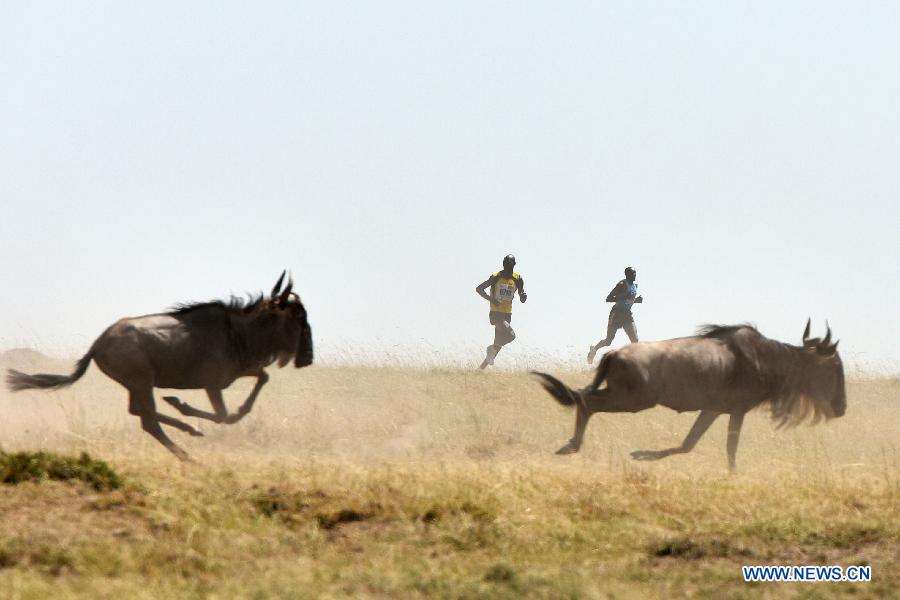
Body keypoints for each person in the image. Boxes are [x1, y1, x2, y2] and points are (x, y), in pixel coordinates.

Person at [475, 254, 527, 369]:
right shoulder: (495, 277)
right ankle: (491, 349)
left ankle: (479, 370)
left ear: (514, 265)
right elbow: (479, 289)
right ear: (503, 265)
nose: (509, 268)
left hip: (507, 314)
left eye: (511, 266)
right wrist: (492, 299)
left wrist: (523, 296)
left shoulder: (518, 279)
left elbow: (521, 297)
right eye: (507, 266)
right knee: (511, 335)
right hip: (496, 313)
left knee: (497, 346)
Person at [587, 266, 642, 364]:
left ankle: (632, 362)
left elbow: (629, 299)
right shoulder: (622, 284)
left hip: (627, 315)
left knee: (635, 340)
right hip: (616, 314)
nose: (635, 275)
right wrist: (625, 296)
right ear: (627, 275)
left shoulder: (635, 286)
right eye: (633, 274)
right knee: (608, 341)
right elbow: (609, 298)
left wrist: (636, 300)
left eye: (635, 273)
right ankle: (594, 349)